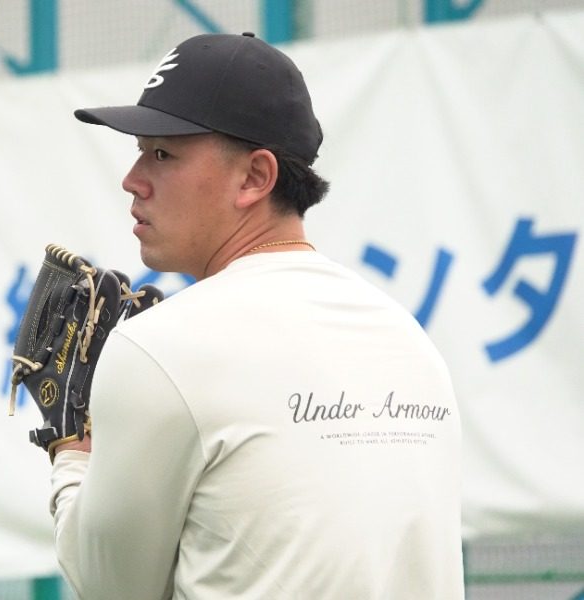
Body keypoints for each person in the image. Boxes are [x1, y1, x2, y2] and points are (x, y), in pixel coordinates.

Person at [49, 32, 464, 599]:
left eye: (163, 154)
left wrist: (71, 452)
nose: (133, 178)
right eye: (141, 149)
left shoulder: (160, 347)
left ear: (254, 178)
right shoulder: (409, 340)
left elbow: (111, 588)